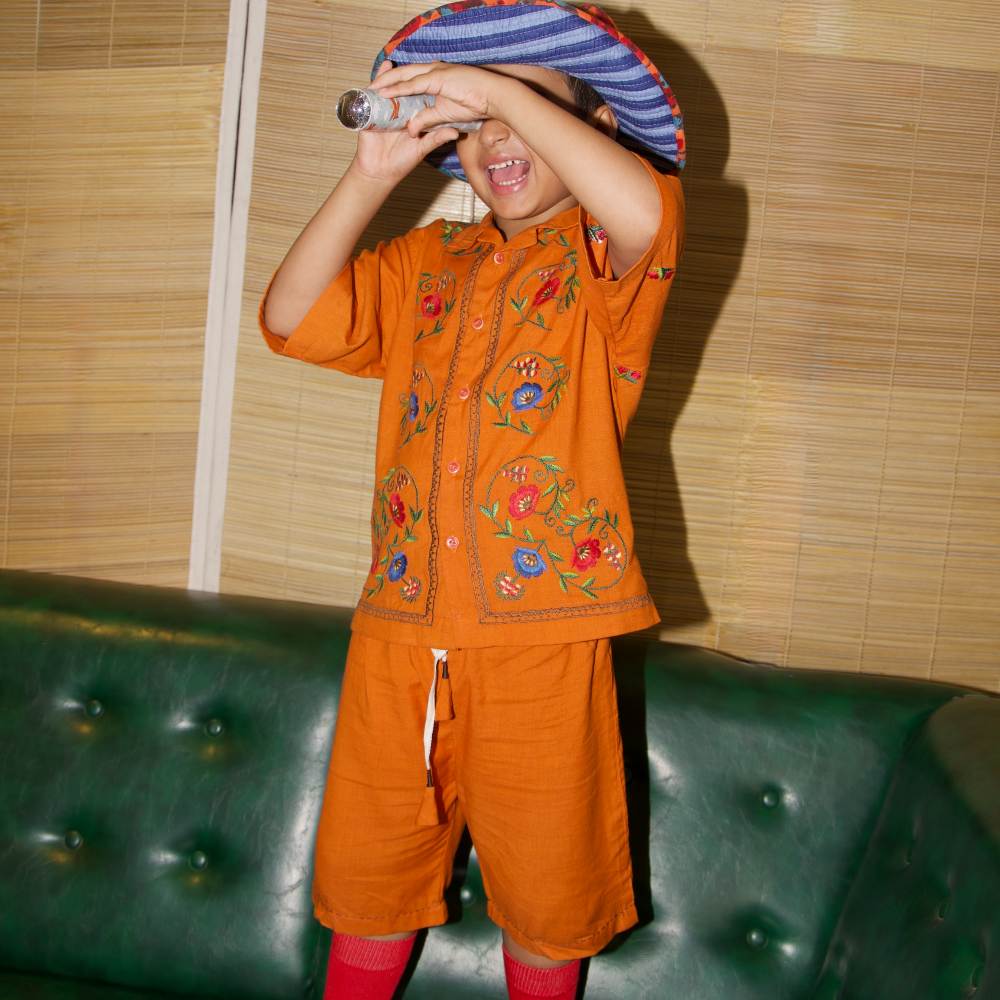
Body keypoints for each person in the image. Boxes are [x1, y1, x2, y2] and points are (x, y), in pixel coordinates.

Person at [258, 2, 685, 997]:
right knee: (368, 879)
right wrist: (371, 176)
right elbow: (289, 316)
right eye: (474, 122)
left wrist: (485, 86)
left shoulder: (603, 259)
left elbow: (648, 215)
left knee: (547, 891)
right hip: (399, 626)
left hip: (545, 630)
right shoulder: (427, 264)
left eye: (527, 108)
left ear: (593, 125)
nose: (497, 136)